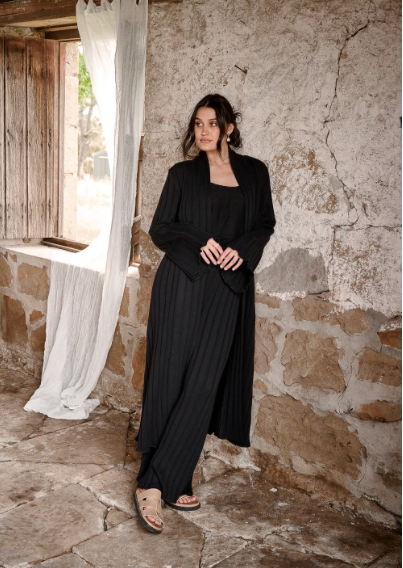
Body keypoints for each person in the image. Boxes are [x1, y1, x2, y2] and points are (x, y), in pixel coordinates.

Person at [133, 94, 276, 534]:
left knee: (203, 385)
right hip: (181, 285)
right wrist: (200, 241)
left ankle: (166, 474)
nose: (205, 131)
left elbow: (265, 224)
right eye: (198, 123)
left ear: (229, 127)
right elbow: (160, 228)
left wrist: (242, 250)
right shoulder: (182, 175)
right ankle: (156, 483)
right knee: (169, 378)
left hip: (227, 291)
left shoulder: (255, 173)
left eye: (213, 123)